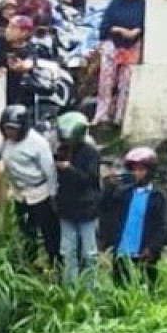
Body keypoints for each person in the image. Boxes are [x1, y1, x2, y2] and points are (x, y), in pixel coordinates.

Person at [0, 105, 58, 265]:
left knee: (48, 231)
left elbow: (50, 171)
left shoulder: (38, 144)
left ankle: (54, 263)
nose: (9, 132)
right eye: (6, 128)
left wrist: (53, 195)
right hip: (20, 194)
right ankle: (29, 263)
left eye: (13, 129)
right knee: (26, 231)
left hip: (40, 193)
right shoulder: (7, 141)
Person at [102, 146, 167, 287]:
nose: (137, 173)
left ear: (150, 171)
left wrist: (152, 248)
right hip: (122, 252)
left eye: (141, 170)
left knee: (146, 288)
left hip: (144, 253)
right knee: (120, 288)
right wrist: (109, 187)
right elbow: (104, 208)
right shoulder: (123, 193)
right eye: (134, 170)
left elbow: (163, 226)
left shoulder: (158, 196)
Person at [53, 111, 100, 287]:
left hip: (86, 210)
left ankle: (90, 288)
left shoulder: (91, 153)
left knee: (89, 253)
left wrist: (69, 169)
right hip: (66, 209)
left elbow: (89, 180)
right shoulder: (62, 150)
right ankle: (70, 288)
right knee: (67, 251)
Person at [95, 0, 145, 126]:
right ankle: (102, 115)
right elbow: (105, 25)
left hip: (132, 46)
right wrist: (119, 30)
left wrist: (136, 31)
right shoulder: (115, 4)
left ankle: (119, 116)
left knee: (125, 83)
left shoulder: (142, 6)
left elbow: (144, 24)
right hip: (112, 44)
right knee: (106, 82)